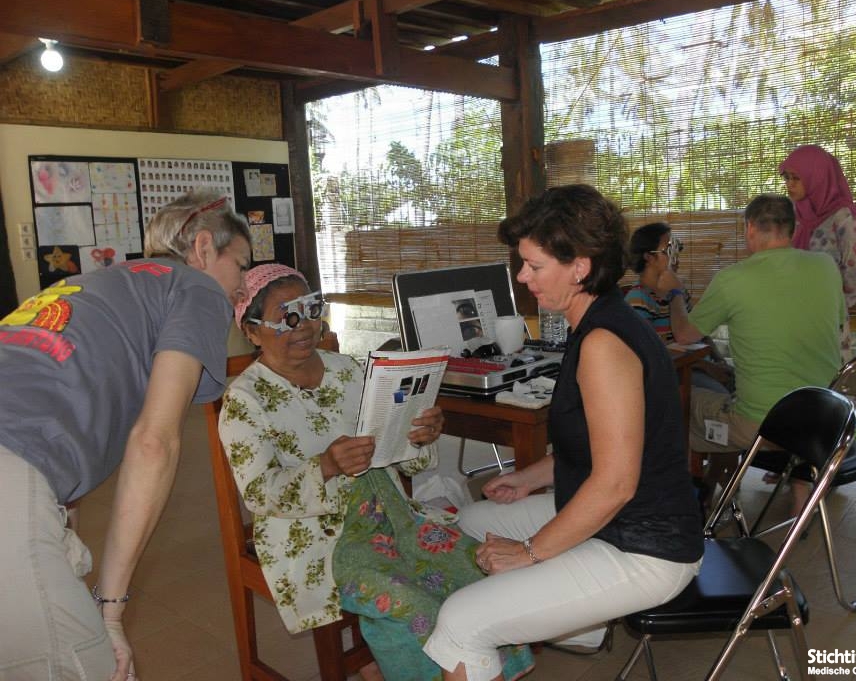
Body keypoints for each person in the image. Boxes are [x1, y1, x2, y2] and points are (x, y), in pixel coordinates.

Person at [422, 184, 703, 681]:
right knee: (472, 520)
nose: (521, 276)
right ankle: (579, 624)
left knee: (460, 623)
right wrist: (530, 477)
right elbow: (608, 442)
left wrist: (530, 553)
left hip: (645, 547)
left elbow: (616, 483)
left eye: (534, 266)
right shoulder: (600, 319)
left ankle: (562, 615)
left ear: (580, 266)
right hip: (622, 517)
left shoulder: (603, 343)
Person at [222, 264, 534, 681]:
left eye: (311, 308)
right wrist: (326, 467)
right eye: (286, 316)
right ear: (252, 330)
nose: (304, 325)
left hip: (395, 516)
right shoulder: (244, 400)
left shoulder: (348, 369)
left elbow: (399, 453)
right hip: (325, 539)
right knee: (412, 605)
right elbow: (260, 493)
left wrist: (421, 437)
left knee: (478, 573)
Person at [0, 190, 252, 681]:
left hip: (22, 466)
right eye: (240, 266)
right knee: (85, 665)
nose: (243, 288)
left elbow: (53, 413)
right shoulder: (197, 288)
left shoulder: (88, 283)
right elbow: (154, 442)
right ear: (203, 250)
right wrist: (111, 611)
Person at [663, 193, 845, 502]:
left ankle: (691, 501)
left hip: (761, 427)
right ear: (793, 227)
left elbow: (683, 334)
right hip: (825, 420)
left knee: (674, 402)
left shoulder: (732, 279)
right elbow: (836, 325)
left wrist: (675, 292)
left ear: (749, 228)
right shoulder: (826, 267)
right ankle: (748, 485)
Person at [780, 144, 856, 359]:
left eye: (796, 178)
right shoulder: (790, 214)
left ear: (817, 177)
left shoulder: (842, 217)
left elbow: (855, 268)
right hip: (791, 310)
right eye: (786, 177)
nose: (789, 184)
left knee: (828, 378)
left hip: (828, 313)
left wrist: (835, 302)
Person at [626, 221, 734, 394]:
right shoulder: (639, 300)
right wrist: (708, 367)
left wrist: (719, 360)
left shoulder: (677, 293)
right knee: (720, 396)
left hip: (700, 367)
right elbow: (655, 354)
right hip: (677, 374)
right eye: (669, 250)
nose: (676, 257)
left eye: (678, 249)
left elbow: (698, 331)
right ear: (649, 257)